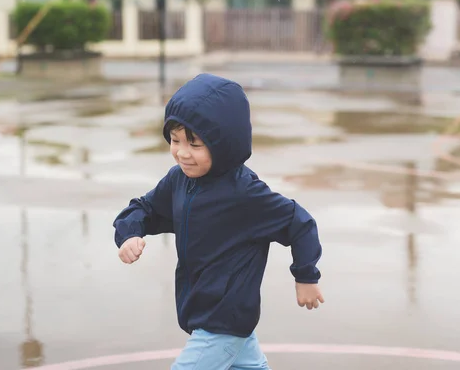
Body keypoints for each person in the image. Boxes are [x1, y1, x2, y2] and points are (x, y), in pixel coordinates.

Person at [113, 73, 324, 369]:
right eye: (175, 140)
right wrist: (130, 233)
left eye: (195, 145)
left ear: (224, 143)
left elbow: (297, 222)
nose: (182, 153)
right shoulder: (179, 180)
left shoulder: (245, 193)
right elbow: (145, 207)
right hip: (208, 309)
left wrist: (305, 275)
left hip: (223, 317)